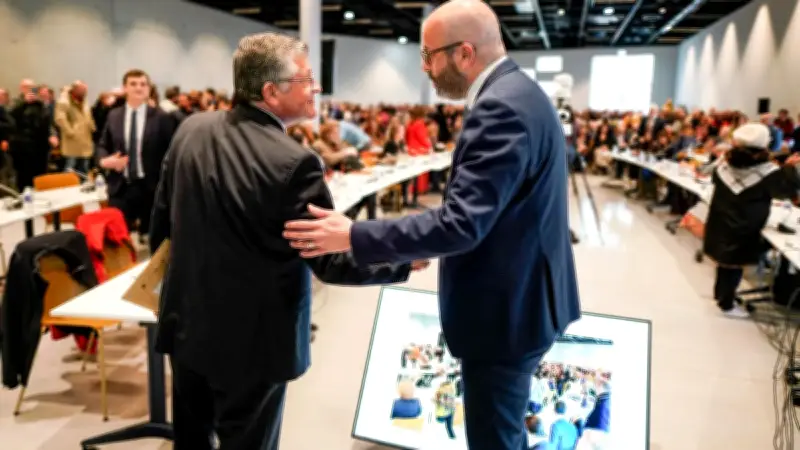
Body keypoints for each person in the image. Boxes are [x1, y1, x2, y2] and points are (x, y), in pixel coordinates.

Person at [283, 1, 581, 449]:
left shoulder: (502, 108)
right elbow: (489, 212)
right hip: (523, 297)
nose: (424, 68)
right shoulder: (518, 93)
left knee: (494, 438)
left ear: (464, 53)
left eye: (429, 56)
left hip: (506, 313)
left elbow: (462, 223)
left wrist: (352, 234)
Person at [148, 32, 428, 450]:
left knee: (191, 439)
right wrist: (401, 260)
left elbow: (161, 227)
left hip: (187, 325)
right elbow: (331, 261)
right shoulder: (294, 163)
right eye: (307, 79)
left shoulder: (192, 130)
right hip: (253, 343)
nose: (315, 87)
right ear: (270, 92)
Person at [703, 123, 800, 318]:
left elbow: (711, 175)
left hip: (721, 221)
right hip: (743, 226)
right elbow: (787, 192)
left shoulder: (724, 164)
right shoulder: (768, 173)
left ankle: (722, 296)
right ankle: (727, 304)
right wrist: (789, 168)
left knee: (725, 264)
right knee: (733, 265)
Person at [96, 69, 175, 241]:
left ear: (149, 89)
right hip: (120, 187)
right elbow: (102, 145)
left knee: (155, 239)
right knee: (117, 239)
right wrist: (104, 161)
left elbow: (171, 152)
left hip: (151, 188)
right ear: (125, 88)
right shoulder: (114, 115)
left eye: (143, 84)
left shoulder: (162, 117)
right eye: (133, 84)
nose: (139, 88)